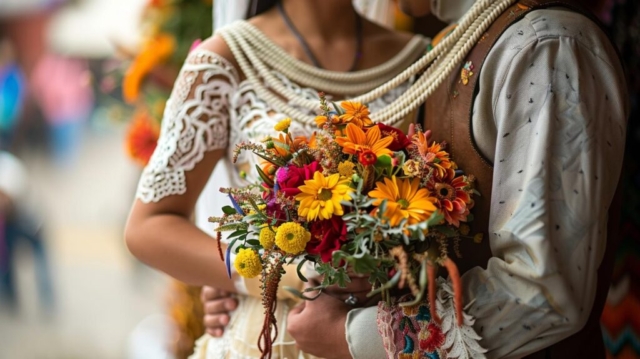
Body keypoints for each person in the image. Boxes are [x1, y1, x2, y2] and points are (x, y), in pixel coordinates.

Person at [203, 0, 629, 358]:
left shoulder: (547, 45)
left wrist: (352, 336)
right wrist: (276, 274)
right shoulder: (460, 43)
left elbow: (542, 294)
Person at [124, 0, 428, 357]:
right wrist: (259, 275)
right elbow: (147, 227)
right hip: (270, 338)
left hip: (389, 336)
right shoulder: (226, 61)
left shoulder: (421, 60)